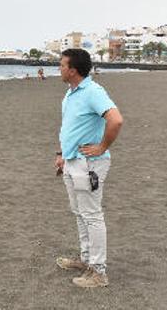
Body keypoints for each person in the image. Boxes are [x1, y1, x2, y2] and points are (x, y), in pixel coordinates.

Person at [53, 48, 123, 288]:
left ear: (73, 70)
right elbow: (70, 126)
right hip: (72, 161)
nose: (59, 68)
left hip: (89, 163)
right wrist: (62, 154)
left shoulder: (93, 91)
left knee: (92, 215)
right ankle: (86, 260)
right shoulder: (70, 93)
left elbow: (116, 119)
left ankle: (99, 272)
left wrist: (102, 146)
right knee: (79, 212)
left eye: (62, 65)